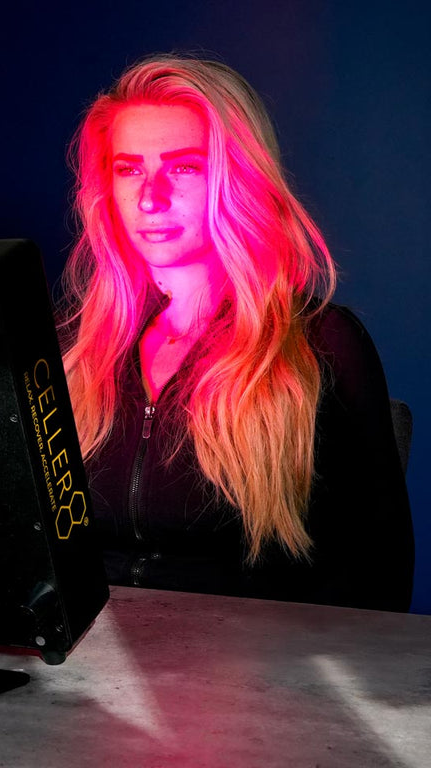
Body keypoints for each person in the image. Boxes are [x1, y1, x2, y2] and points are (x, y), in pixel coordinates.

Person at [59, 54, 414, 611]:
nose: (150, 198)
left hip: (251, 674)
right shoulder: (76, 355)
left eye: (183, 168)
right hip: (85, 665)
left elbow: (376, 576)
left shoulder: (321, 345)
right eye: (128, 169)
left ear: (237, 177)